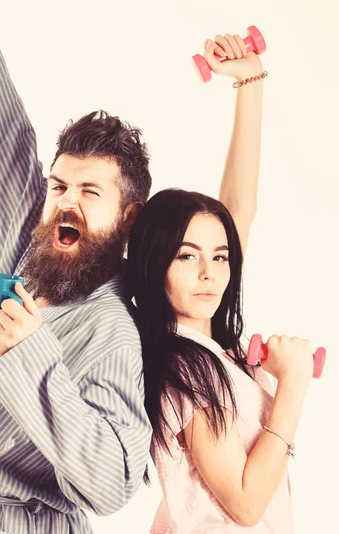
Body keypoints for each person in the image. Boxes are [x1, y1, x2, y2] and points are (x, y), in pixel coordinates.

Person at [0, 0, 267, 534]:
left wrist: (251, 83)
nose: (64, 203)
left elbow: (111, 482)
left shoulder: (119, 331)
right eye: (59, 186)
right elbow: (5, 138)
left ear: (128, 217)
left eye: (90, 193)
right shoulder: (34, 249)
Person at [126, 188, 315, 533]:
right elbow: (245, 504)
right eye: (186, 256)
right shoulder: (188, 367)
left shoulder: (215, 353)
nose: (208, 273)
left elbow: (240, 206)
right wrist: (293, 384)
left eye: (220, 257)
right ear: (154, 263)